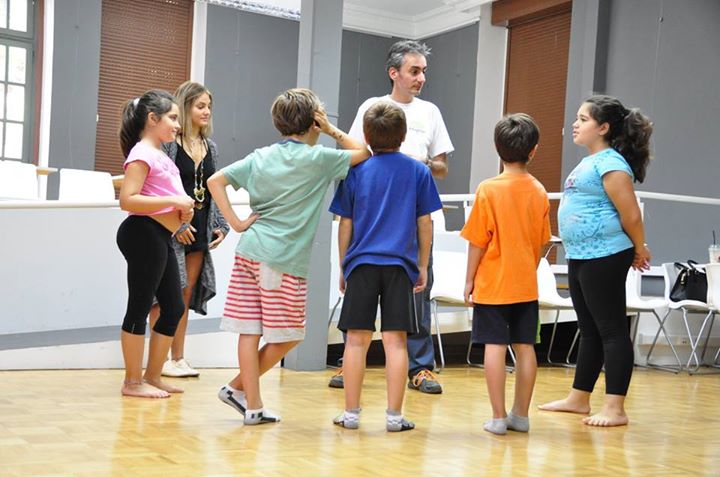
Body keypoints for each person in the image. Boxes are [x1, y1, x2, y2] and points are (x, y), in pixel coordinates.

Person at [207, 88, 371, 425]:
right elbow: (364, 152)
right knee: (291, 335)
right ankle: (238, 390)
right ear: (314, 122)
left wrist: (236, 223)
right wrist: (331, 130)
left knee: (249, 330)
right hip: (282, 259)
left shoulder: (261, 156)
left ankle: (251, 403)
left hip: (249, 250)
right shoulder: (319, 159)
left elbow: (214, 181)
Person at [329, 39, 453, 394]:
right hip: (372, 214)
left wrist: (419, 165)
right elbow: (355, 153)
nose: (421, 78)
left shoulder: (431, 112)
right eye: (414, 71)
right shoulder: (372, 107)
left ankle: (420, 367)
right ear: (393, 73)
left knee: (417, 293)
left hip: (410, 217)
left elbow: (442, 167)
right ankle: (350, 362)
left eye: (423, 72)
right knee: (359, 294)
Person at [538, 95, 653, 427]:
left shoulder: (612, 163)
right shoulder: (591, 161)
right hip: (581, 255)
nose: (575, 124)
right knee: (588, 330)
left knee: (611, 330)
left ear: (603, 128)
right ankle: (579, 398)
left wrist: (640, 248)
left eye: (583, 119)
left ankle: (615, 408)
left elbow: (630, 214)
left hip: (606, 254)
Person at [330, 102, 441, 432]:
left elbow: (345, 223)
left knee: (355, 341)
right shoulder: (419, 172)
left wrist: (344, 265)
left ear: (365, 136)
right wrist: (422, 265)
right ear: (403, 136)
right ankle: (394, 417)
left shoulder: (356, 171)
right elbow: (425, 222)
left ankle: (351, 414)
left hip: (361, 264)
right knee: (396, 343)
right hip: (400, 267)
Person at [461, 114, 551, 435]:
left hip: (492, 285)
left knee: (495, 347)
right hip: (525, 285)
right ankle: (521, 415)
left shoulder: (488, 189)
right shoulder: (539, 191)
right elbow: (542, 242)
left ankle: (498, 417)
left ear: (497, 149)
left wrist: (469, 280)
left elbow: (477, 241)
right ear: (534, 150)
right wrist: (528, 268)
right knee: (526, 347)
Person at [116, 89, 195, 398]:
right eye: (172, 118)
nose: (178, 124)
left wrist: (182, 216)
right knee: (139, 306)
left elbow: (161, 199)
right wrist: (175, 202)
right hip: (142, 234)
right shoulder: (142, 153)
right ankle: (132, 382)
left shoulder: (160, 154)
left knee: (173, 307)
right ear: (152, 118)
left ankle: (152, 376)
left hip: (159, 235)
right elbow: (128, 200)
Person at [148, 81, 229, 378]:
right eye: (200, 106)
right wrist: (177, 223)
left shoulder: (211, 147)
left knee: (184, 294)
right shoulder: (169, 143)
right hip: (170, 226)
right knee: (162, 296)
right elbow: (158, 186)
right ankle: (157, 361)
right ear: (185, 107)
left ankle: (178, 358)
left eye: (209, 106)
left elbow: (213, 188)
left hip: (199, 226)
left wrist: (220, 225)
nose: (207, 112)